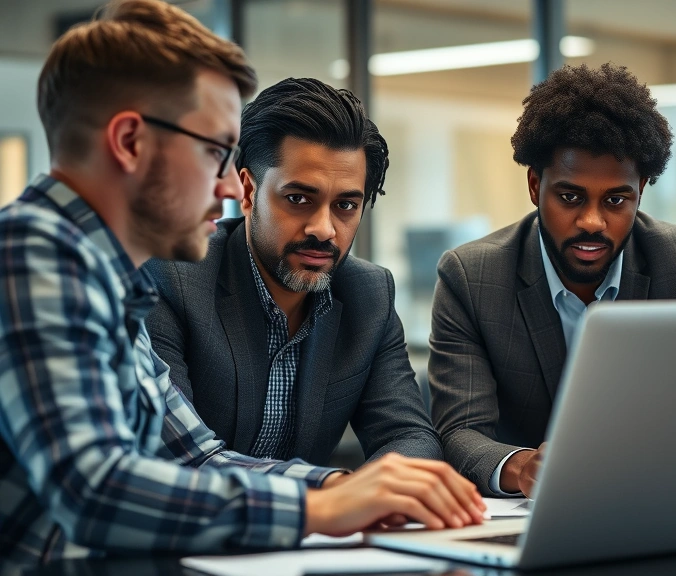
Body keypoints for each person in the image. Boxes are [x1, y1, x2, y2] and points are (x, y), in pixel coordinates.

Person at [0, 2, 482, 573]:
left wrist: (345, 493)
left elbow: (192, 456)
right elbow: (96, 490)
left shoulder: (102, 275)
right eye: (213, 151)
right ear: (130, 141)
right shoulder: (32, 254)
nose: (230, 183)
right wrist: (317, 507)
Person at [429, 63, 676, 498]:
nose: (592, 221)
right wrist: (523, 468)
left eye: (616, 199)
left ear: (641, 191)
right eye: (570, 197)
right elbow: (460, 432)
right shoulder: (472, 277)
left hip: (665, 497)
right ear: (535, 185)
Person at [144, 78, 442, 467]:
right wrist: (335, 493)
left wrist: (391, 489)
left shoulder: (369, 294)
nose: (324, 228)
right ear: (248, 191)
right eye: (299, 199)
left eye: (346, 206)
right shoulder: (174, 278)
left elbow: (408, 434)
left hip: (315, 527)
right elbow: (182, 461)